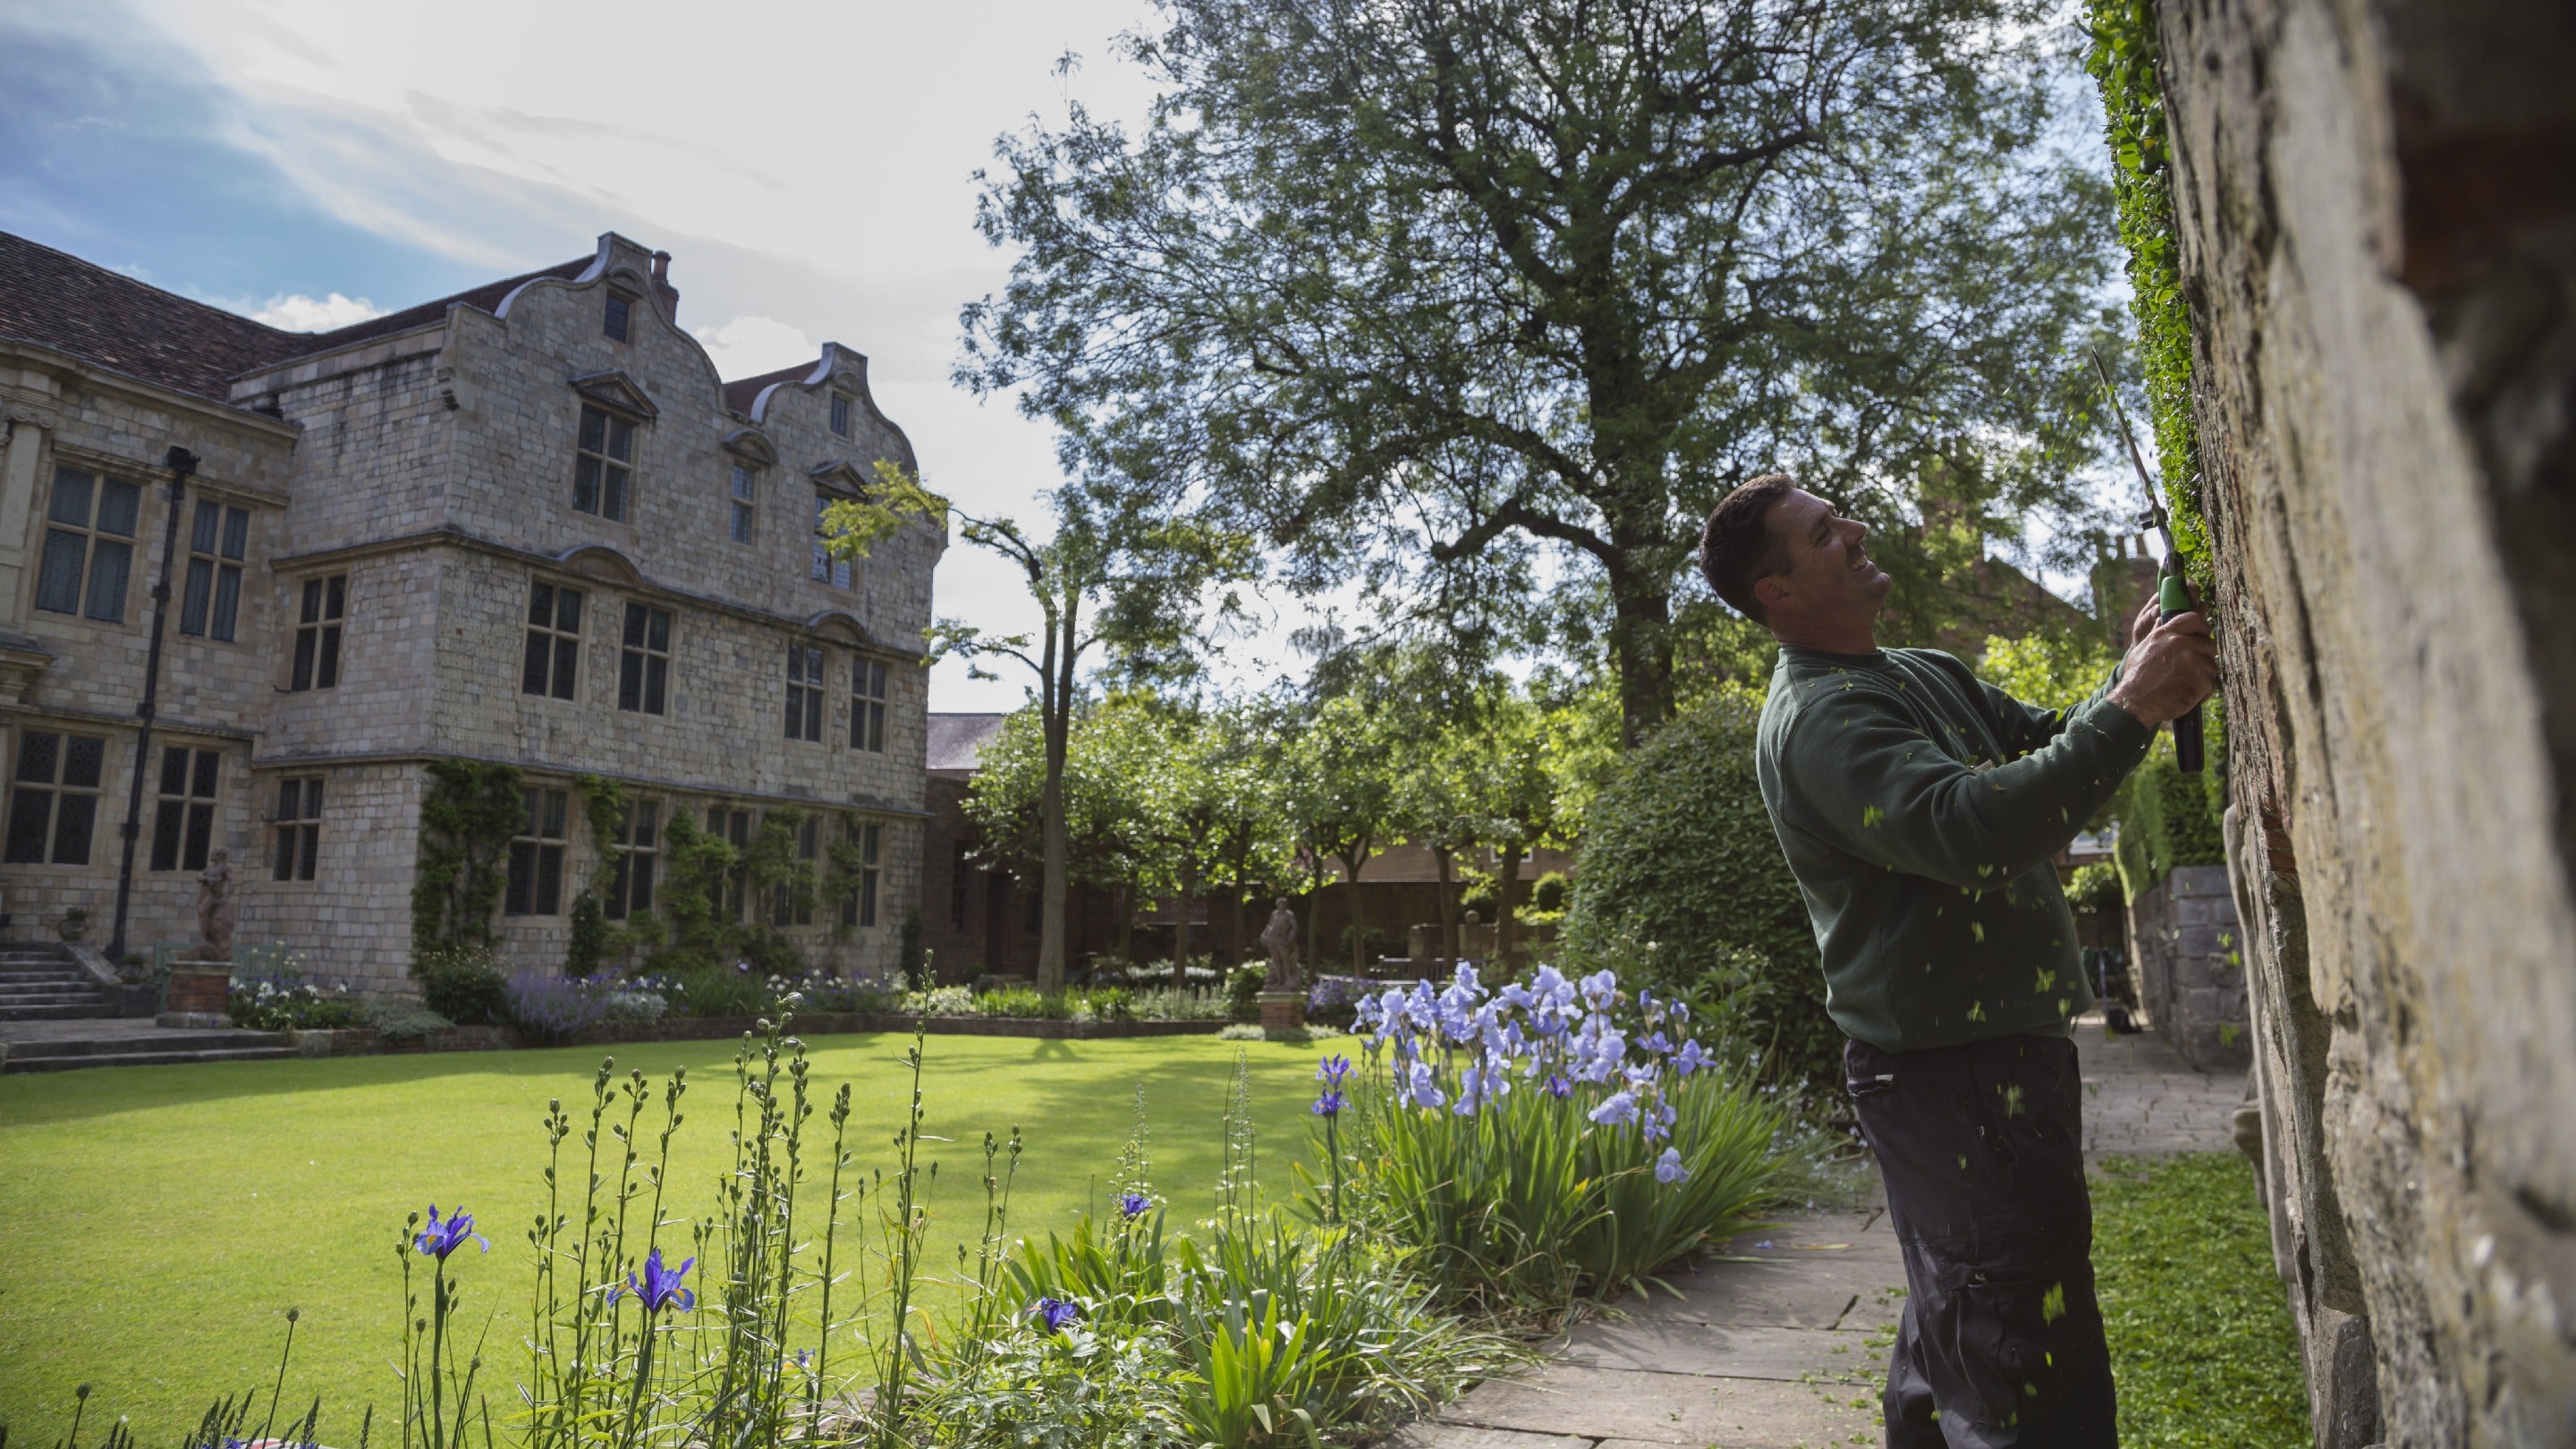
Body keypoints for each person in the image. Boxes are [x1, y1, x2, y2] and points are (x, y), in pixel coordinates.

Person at [1698, 474, 2216, 1447]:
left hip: (1985, 1064)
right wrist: (2138, 707)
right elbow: (1971, 829)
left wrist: (2132, 671)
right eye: (1822, 533)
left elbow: (2050, 749)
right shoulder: (1821, 720)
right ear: (1777, 591)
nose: (1853, 529)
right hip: (1953, 1079)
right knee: (2024, 1360)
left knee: (1961, 1335)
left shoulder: (1918, 673)